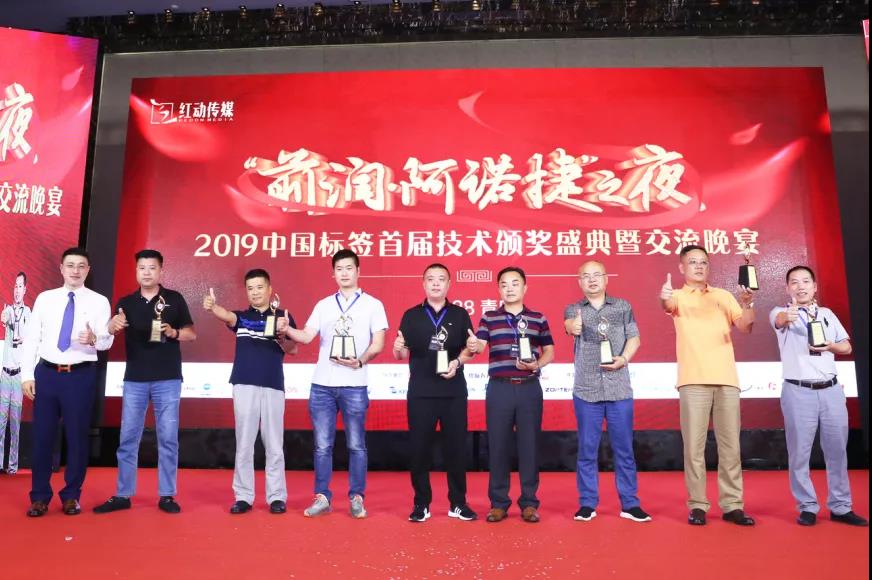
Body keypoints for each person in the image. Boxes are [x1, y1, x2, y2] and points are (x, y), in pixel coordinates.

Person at [286, 249, 387, 518]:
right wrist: (286, 329)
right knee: (322, 446)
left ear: (358, 271)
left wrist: (360, 361)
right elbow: (306, 336)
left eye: (349, 268)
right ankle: (322, 497)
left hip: (355, 384)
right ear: (333, 274)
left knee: (356, 445)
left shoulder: (373, 305)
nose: (344, 273)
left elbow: (378, 343)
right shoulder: (324, 305)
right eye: (339, 269)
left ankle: (357, 498)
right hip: (322, 385)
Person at [659, 244, 756, 526]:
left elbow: (745, 327)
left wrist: (748, 304)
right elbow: (667, 305)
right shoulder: (677, 296)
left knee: (731, 447)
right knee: (694, 448)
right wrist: (663, 297)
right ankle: (698, 505)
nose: (699, 266)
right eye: (693, 262)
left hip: (727, 380)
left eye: (703, 262)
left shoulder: (723, 296)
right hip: (693, 381)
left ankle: (733, 505)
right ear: (682, 268)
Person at [93, 249, 196, 515]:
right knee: (128, 438)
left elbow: (191, 334)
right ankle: (123, 494)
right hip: (135, 380)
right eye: (142, 268)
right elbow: (111, 330)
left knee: (168, 439)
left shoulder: (174, 298)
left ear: (161, 270)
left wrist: (173, 332)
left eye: (152, 268)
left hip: (168, 378)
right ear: (136, 271)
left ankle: (167, 495)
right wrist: (112, 325)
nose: (147, 272)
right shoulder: (126, 302)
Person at [769, 266, 868, 527]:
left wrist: (830, 346)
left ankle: (841, 506)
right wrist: (788, 316)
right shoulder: (780, 312)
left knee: (837, 451)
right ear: (787, 288)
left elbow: (846, 346)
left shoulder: (826, 314)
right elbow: (780, 321)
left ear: (814, 287)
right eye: (794, 282)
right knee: (799, 453)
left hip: (831, 390)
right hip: (798, 391)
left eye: (805, 281)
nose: (800, 286)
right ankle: (807, 506)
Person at [20, 247, 113, 517]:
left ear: (88, 270)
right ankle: (39, 497)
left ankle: (72, 495)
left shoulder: (99, 302)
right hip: (47, 374)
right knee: (42, 437)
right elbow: (32, 338)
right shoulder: (45, 299)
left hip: (80, 376)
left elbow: (107, 340)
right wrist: (27, 375)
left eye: (81, 266)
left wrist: (95, 339)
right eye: (70, 265)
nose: (75, 270)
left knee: (77, 437)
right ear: (61, 268)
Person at [203, 269, 297, 514]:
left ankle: (276, 496)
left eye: (259, 287)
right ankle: (243, 496)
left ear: (269, 289)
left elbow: (293, 349)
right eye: (250, 288)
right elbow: (227, 316)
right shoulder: (242, 317)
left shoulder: (283, 316)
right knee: (244, 443)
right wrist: (213, 307)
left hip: (273, 384)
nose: (255, 292)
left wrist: (283, 333)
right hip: (244, 383)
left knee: (274, 443)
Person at [563, 261, 650, 523]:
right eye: (586, 276)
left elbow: (634, 337)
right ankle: (587, 503)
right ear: (579, 282)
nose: (592, 280)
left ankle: (630, 504)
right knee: (587, 450)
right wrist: (574, 325)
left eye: (597, 275)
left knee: (624, 450)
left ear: (606, 279)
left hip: (618, 388)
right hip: (586, 390)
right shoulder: (574, 309)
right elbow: (570, 326)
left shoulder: (622, 306)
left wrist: (624, 358)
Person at [467, 266, 554, 523]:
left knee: (529, 446)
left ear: (525, 287)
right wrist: (474, 344)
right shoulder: (489, 317)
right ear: (499, 289)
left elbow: (549, 351)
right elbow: (480, 346)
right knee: (498, 446)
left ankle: (529, 503)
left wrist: (537, 364)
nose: (509, 288)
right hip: (500, 388)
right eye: (504, 284)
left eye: (515, 283)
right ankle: (499, 503)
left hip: (529, 388)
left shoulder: (538, 318)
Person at [393, 263, 477, 523]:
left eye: (441, 279)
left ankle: (458, 503)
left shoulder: (460, 314)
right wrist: (398, 347)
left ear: (449, 284)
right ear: (424, 284)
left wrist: (461, 358)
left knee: (456, 449)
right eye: (431, 279)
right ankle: (421, 504)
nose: (436, 283)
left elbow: (469, 350)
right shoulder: (411, 315)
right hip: (421, 392)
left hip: (453, 391)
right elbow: (400, 354)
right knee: (419, 450)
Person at [1, 272, 30, 475]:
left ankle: (12, 466)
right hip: (5, 374)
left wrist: (23, 336)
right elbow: (7, 319)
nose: (17, 290)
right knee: (0, 422)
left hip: (19, 375)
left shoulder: (28, 312)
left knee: (15, 424)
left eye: (20, 286)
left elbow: (29, 335)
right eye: (15, 286)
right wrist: (5, 319)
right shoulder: (8, 310)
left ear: (25, 289)